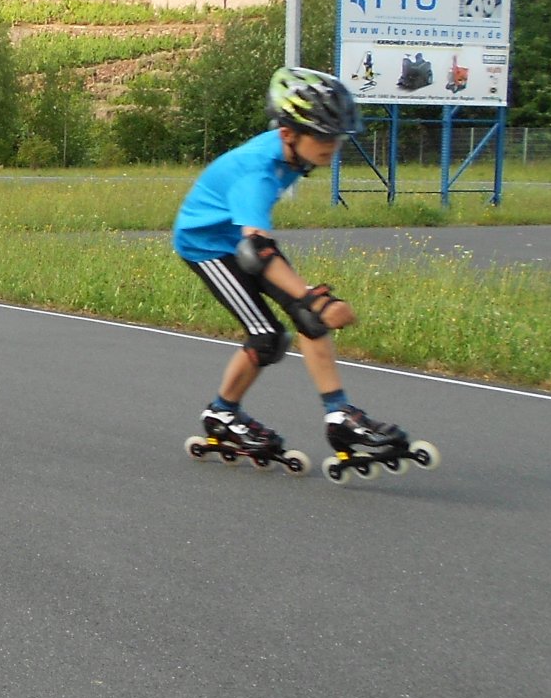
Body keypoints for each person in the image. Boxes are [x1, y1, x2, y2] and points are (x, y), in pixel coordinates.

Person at [171, 66, 416, 468]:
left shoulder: (292, 152)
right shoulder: (257, 173)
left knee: (309, 317)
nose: (333, 146)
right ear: (288, 134)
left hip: (237, 237)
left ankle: (339, 415)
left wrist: (311, 304)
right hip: (206, 245)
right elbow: (256, 252)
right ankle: (222, 413)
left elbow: (257, 247)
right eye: (324, 136)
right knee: (268, 336)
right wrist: (314, 299)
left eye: (337, 137)